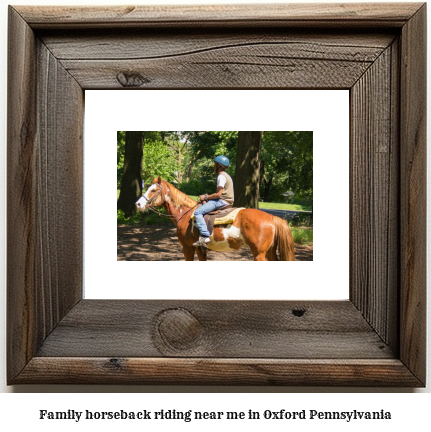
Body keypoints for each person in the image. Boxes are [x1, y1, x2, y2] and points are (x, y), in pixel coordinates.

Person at [193, 155, 234, 247]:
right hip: (226, 200)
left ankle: (204, 236)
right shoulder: (226, 175)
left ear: (219, 166)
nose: (213, 166)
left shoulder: (221, 177)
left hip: (222, 201)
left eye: (215, 164)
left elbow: (219, 194)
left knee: (198, 212)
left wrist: (206, 197)